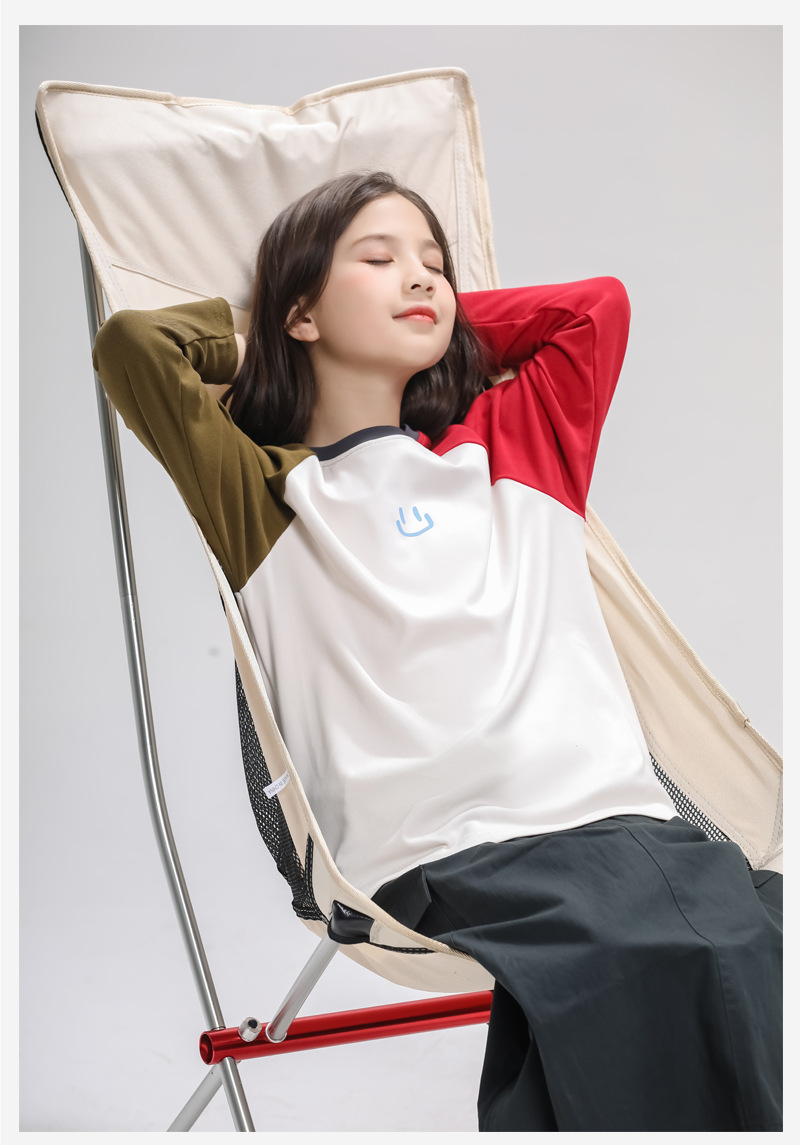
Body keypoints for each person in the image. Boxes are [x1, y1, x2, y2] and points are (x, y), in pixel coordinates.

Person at [91, 170, 782, 1132]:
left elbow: (594, 310)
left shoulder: (509, 446)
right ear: (299, 314)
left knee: (743, 945)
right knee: (664, 961)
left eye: (435, 265)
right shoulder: (264, 492)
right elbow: (136, 345)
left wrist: (430, 321)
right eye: (378, 260)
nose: (422, 278)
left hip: (615, 819)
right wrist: (276, 330)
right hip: (440, 853)